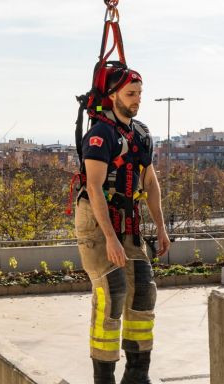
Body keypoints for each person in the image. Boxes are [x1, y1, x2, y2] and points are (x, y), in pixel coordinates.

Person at [75, 67, 171, 384]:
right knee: (111, 293)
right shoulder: (101, 135)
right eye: (131, 94)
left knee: (143, 291)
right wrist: (110, 240)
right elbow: (93, 187)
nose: (137, 100)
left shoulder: (140, 134)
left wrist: (160, 226)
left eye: (140, 94)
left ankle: (137, 375)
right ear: (113, 96)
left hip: (129, 224)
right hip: (98, 224)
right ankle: (104, 379)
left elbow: (151, 183)